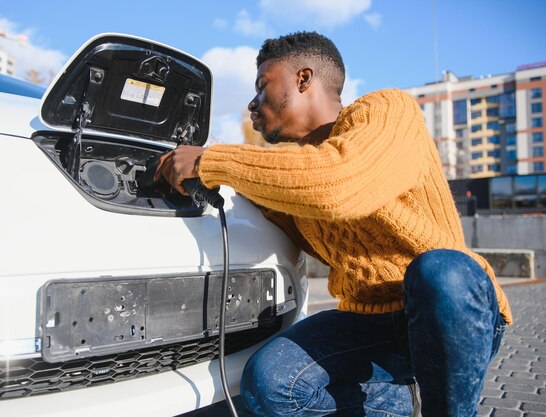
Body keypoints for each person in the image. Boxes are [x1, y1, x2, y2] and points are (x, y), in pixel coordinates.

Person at [155, 31, 511, 417]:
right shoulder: (293, 178)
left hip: (449, 312)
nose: (252, 103)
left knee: (441, 271)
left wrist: (211, 160)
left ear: (303, 79)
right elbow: (274, 198)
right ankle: (391, 403)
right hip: (369, 324)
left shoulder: (387, 110)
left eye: (262, 86)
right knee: (268, 382)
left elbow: (338, 184)